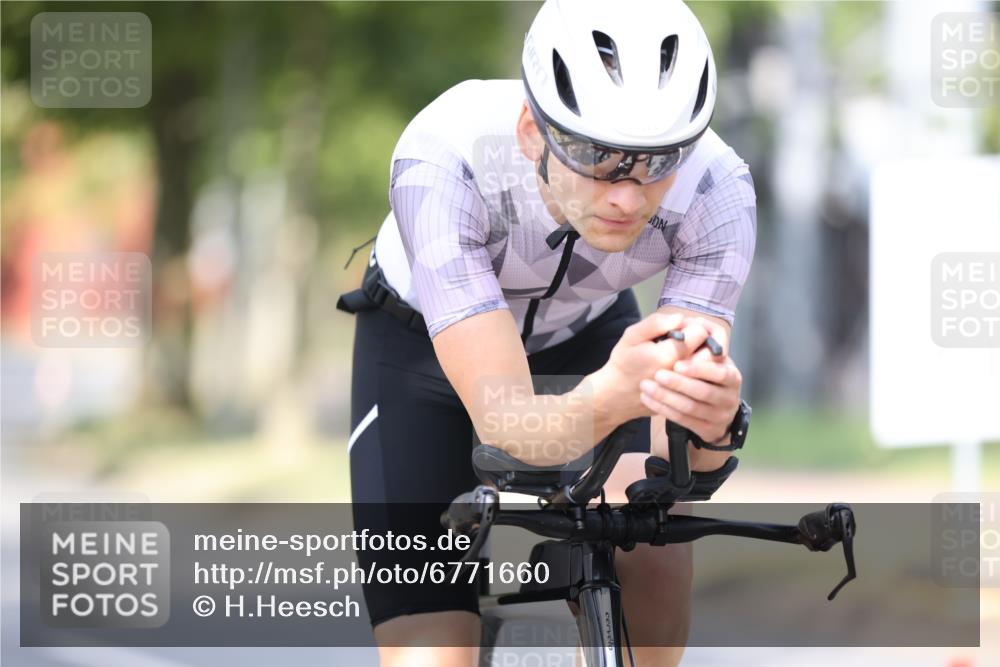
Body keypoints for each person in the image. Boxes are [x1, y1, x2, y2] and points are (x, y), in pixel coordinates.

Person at [337, 1, 756, 665]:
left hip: (588, 329)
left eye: (658, 159)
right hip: (422, 351)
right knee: (433, 648)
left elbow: (687, 467)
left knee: (654, 551)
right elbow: (507, 422)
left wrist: (710, 428)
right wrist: (612, 398)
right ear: (532, 131)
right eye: (595, 155)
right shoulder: (444, 159)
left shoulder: (716, 192)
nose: (626, 195)